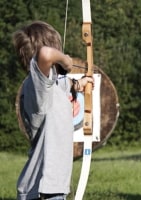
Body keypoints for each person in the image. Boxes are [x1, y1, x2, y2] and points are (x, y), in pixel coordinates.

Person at [13, 21, 93, 200]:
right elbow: (45, 54)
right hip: (42, 190)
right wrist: (66, 60)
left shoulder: (52, 85)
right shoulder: (37, 86)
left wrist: (79, 84)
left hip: (51, 189)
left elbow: (64, 83)